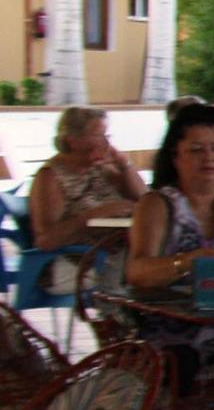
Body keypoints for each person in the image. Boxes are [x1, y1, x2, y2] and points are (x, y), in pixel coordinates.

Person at [124, 104, 214, 378]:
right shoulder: (158, 205)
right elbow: (137, 272)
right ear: (175, 156)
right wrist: (185, 262)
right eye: (197, 150)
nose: (209, 158)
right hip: (171, 334)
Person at [26, 106, 147, 291]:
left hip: (114, 253)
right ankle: (119, 314)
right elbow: (46, 240)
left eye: (107, 135)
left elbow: (145, 200)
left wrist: (124, 164)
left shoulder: (100, 168)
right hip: (76, 262)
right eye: (99, 135)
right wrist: (94, 215)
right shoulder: (51, 177)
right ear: (73, 141)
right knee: (140, 270)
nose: (106, 142)